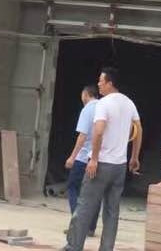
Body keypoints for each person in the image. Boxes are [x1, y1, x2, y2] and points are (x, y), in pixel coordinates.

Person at [62, 66, 142, 251]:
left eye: (101, 81)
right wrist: (134, 157)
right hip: (119, 166)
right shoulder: (129, 103)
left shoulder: (103, 104)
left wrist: (94, 159)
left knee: (84, 206)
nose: (98, 84)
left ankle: (73, 247)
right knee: (112, 212)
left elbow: (98, 131)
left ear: (110, 83)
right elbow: (138, 130)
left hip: (101, 165)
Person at [65, 84, 101, 236]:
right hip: (98, 158)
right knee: (94, 193)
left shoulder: (87, 109)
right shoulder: (103, 107)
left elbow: (82, 136)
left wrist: (72, 157)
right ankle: (91, 227)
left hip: (83, 158)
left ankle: (78, 224)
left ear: (86, 94)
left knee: (72, 187)